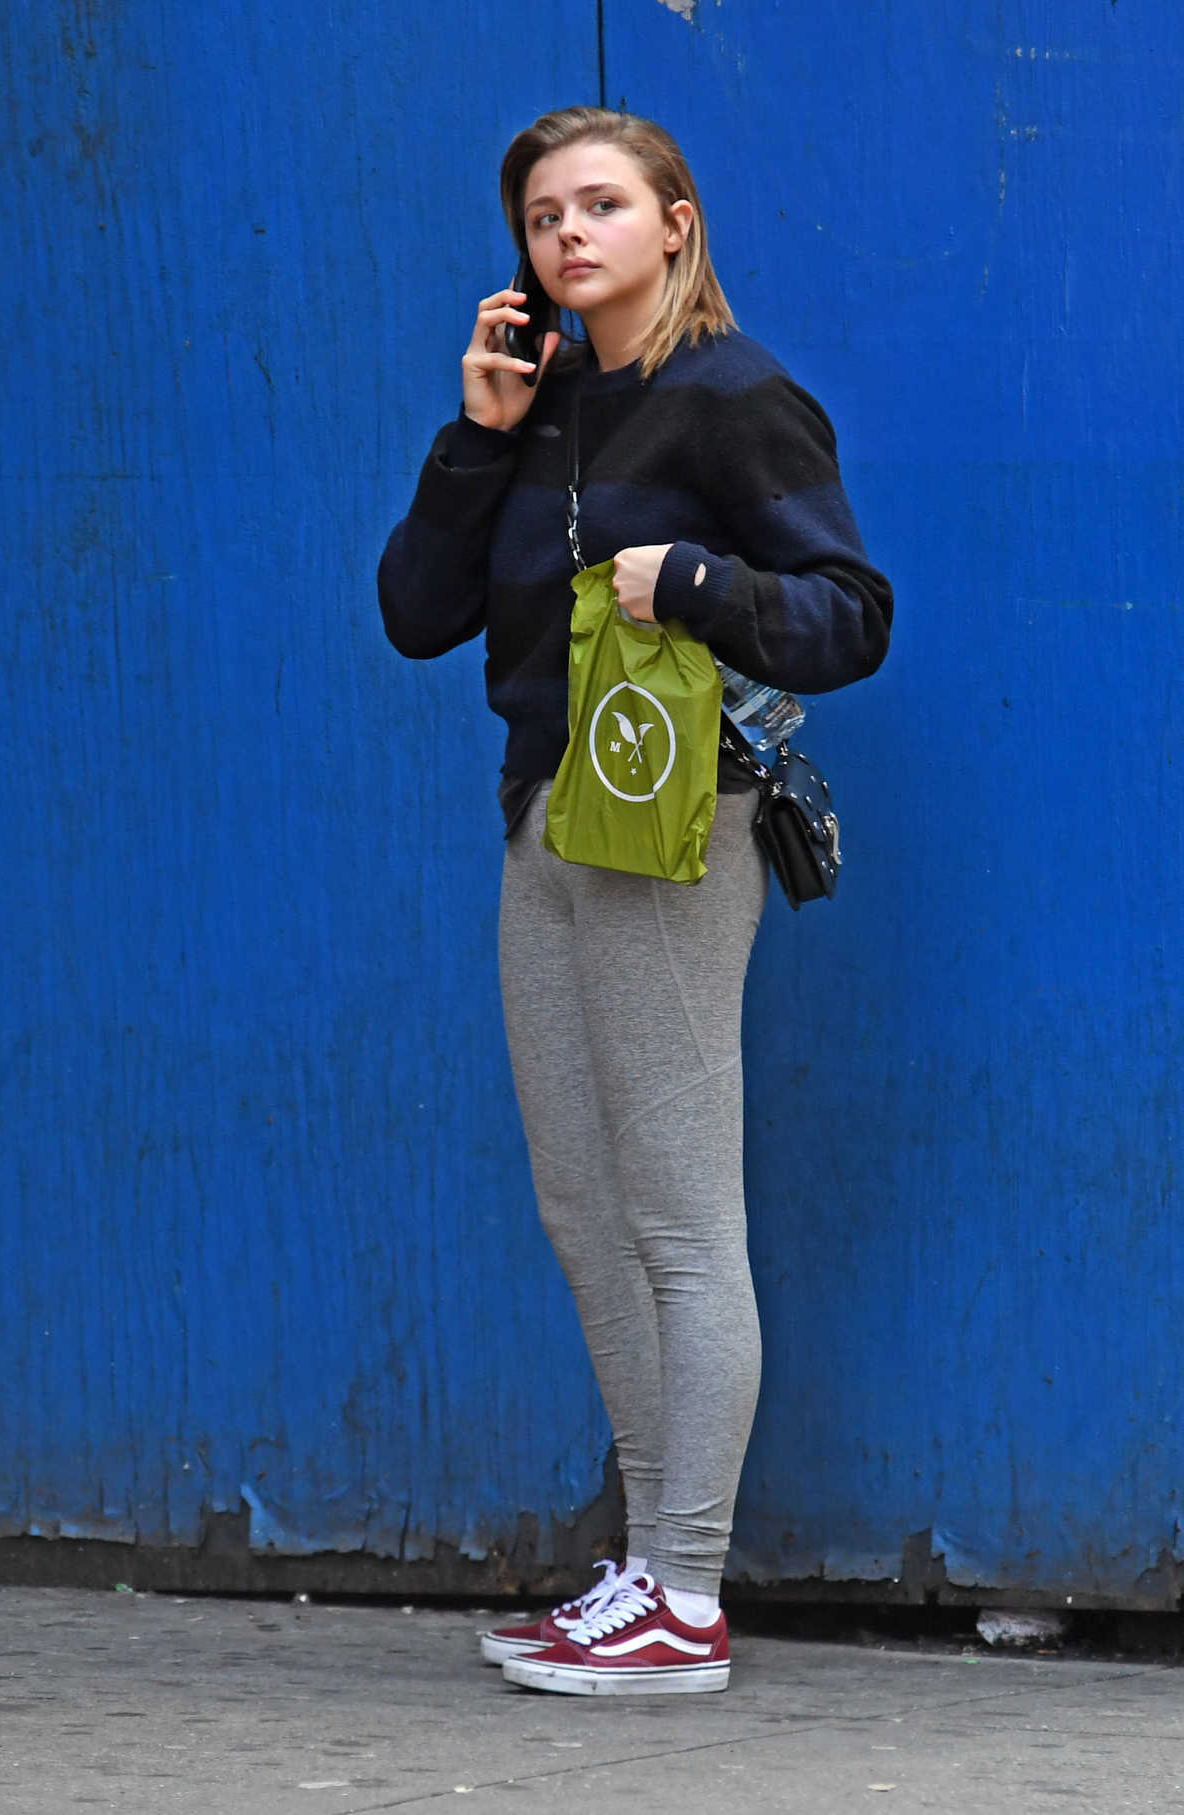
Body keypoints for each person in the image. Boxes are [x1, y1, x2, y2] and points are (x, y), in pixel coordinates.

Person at [378, 105, 893, 1695]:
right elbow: (413, 615)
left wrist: (696, 587)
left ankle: (682, 1591)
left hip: (679, 835)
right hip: (547, 822)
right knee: (581, 1209)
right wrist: (477, 430)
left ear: (675, 220)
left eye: (603, 204)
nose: (569, 236)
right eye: (542, 217)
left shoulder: (735, 400)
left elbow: (850, 615)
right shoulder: (536, 408)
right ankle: (641, 1574)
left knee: (678, 1214)